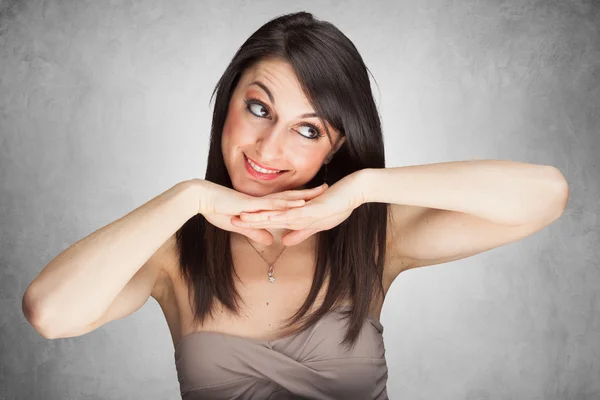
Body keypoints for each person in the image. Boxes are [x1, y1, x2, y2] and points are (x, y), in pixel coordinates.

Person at [21, 11, 569, 400]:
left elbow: (546, 195)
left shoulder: (374, 237)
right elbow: (50, 313)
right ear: (229, 101)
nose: (269, 148)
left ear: (338, 146)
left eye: (308, 129)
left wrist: (362, 188)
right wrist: (188, 196)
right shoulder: (170, 251)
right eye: (259, 108)